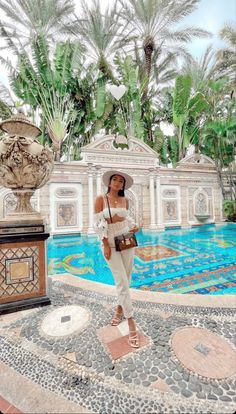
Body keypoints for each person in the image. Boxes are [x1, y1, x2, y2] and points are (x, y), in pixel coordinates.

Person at [94, 170, 140, 348]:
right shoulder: (101, 199)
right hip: (110, 242)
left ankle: (120, 309)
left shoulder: (125, 200)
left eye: (121, 181)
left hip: (126, 240)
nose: (118, 183)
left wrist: (134, 227)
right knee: (121, 281)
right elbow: (99, 224)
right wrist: (105, 244)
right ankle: (131, 322)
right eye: (115, 180)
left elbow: (127, 220)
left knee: (126, 280)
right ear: (110, 182)